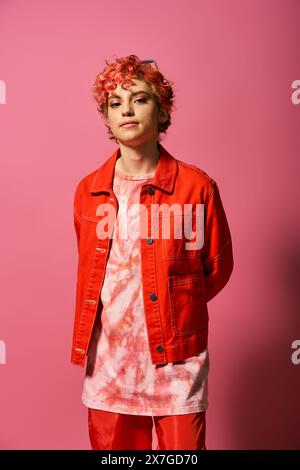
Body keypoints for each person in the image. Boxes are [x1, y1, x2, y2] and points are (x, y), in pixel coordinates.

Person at [71, 54, 234, 450]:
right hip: (110, 367)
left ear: (162, 111)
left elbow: (216, 267)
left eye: (140, 99)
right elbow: (94, 272)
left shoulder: (197, 188)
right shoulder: (88, 192)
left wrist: (175, 306)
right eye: (115, 102)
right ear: (107, 118)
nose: (126, 109)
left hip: (178, 364)